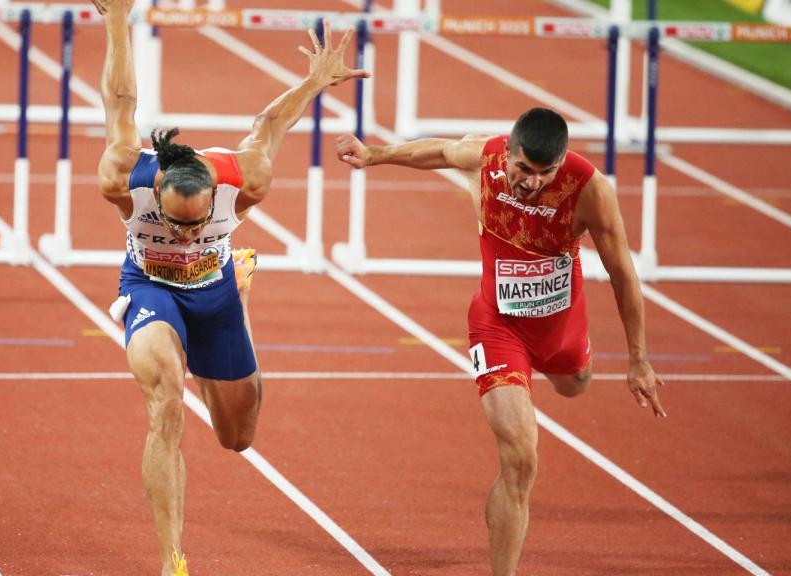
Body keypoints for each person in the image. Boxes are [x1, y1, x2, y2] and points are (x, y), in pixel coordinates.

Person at [91, 0, 369, 573]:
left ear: (214, 197)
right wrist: (118, 19)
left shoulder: (246, 178)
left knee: (237, 438)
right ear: (159, 189)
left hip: (214, 291)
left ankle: (238, 292)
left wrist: (313, 83)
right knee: (165, 401)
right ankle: (172, 558)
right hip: (148, 287)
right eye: (173, 220)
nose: (184, 230)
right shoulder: (124, 174)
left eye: (195, 223)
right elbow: (120, 103)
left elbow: (270, 127)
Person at [336, 107, 667, 575]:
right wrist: (376, 155)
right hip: (497, 325)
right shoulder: (483, 155)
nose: (532, 182)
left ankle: (571, 364)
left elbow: (623, 275)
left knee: (575, 383)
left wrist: (639, 359)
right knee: (521, 459)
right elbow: (438, 151)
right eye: (524, 169)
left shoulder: (590, 191)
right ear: (508, 151)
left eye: (545, 173)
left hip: (561, 324)